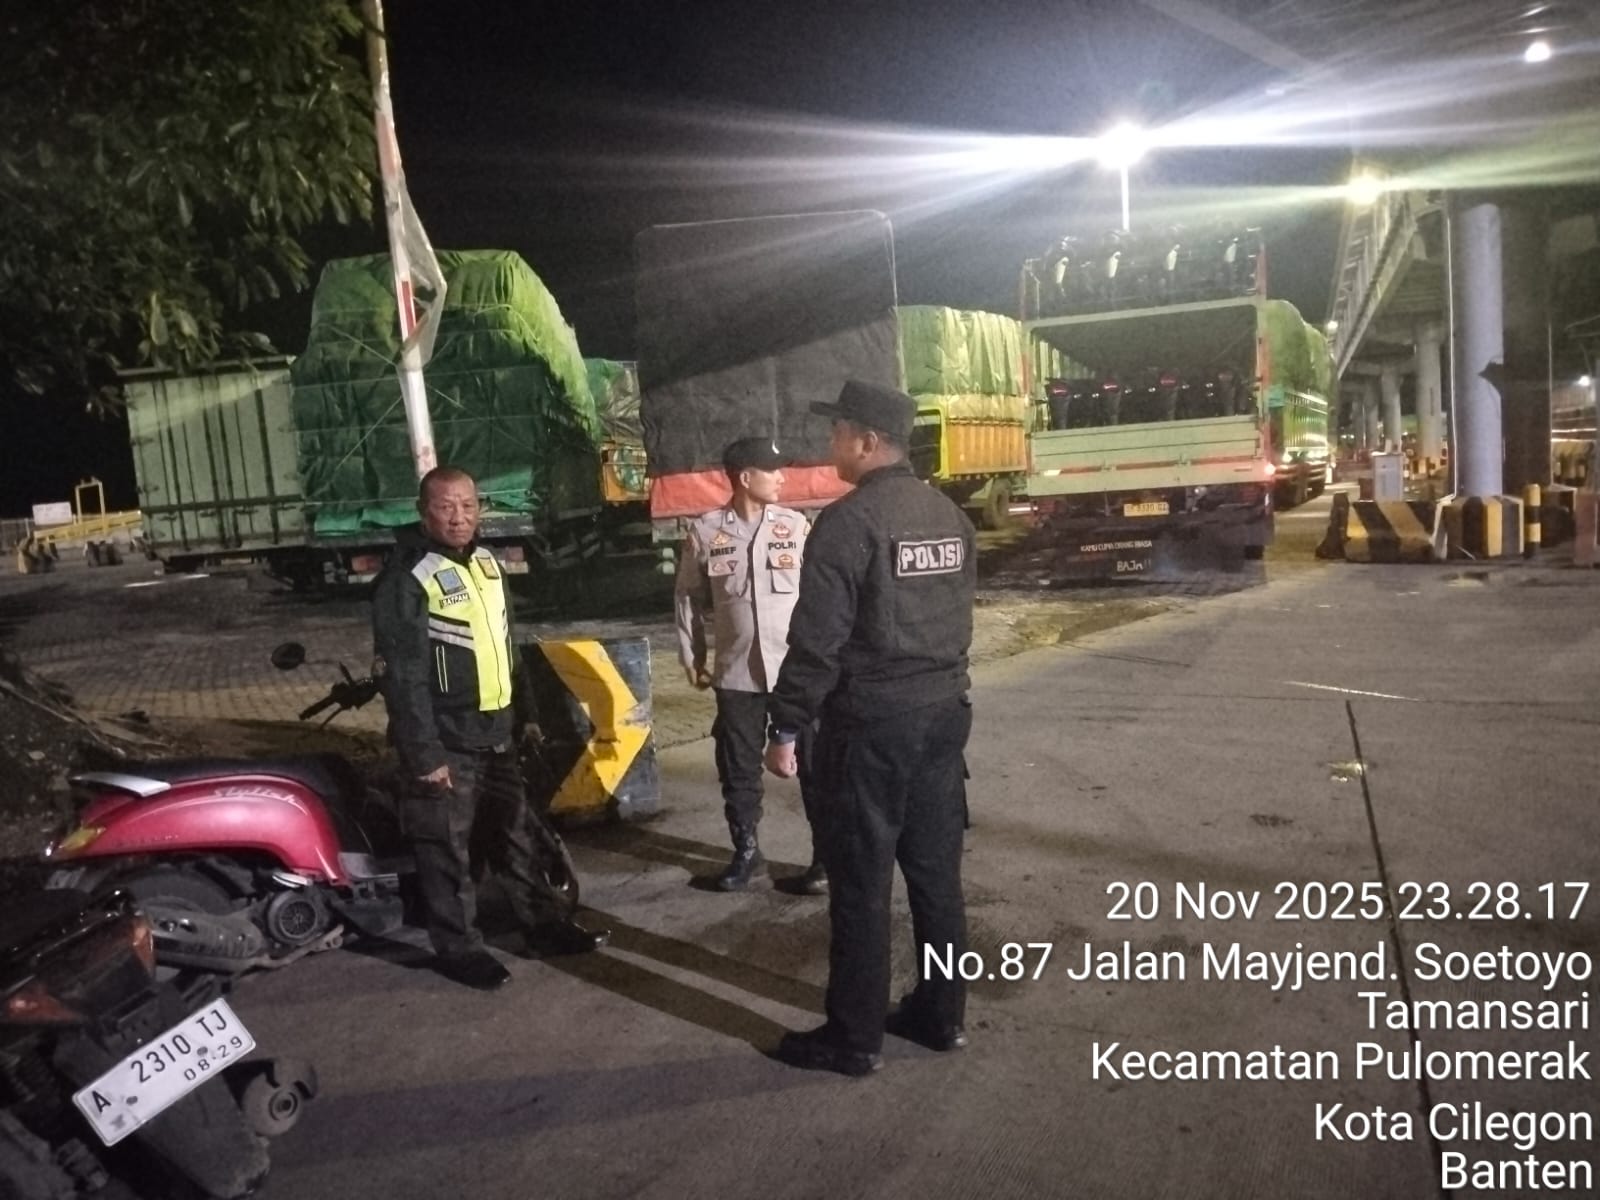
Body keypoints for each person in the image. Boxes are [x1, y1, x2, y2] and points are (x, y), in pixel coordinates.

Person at [763, 380, 977, 1076]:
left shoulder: (848, 523)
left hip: (872, 727)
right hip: (943, 717)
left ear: (867, 441)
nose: (831, 443)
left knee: (860, 882)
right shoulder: (949, 516)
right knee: (936, 878)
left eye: (837, 432)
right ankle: (942, 1016)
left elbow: (817, 642)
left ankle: (853, 1038)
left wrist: (786, 725)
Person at [371, 466, 607, 991]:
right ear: (423, 512)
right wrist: (425, 754)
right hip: (446, 740)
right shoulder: (406, 578)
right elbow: (402, 677)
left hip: (498, 732)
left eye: (468, 505)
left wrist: (527, 716)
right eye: (446, 507)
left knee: (517, 836)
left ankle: (544, 927)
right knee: (446, 851)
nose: (459, 517)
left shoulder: (486, 564)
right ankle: (460, 950)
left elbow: (506, 644)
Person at [675, 437, 826, 893]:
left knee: (816, 766)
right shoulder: (706, 532)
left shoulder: (795, 527)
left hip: (795, 672)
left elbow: (821, 598)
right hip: (738, 673)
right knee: (738, 768)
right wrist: (692, 655)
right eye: (771, 470)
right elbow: (687, 597)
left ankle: (825, 859)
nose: (781, 478)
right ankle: (746, 853)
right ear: (745, 477)